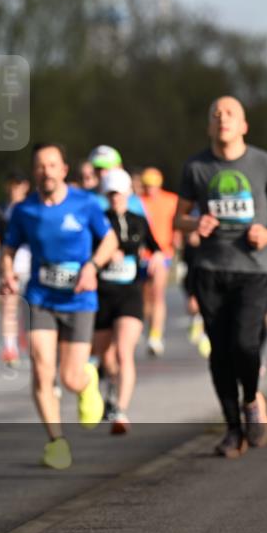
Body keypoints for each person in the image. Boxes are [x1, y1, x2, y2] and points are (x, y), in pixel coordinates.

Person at [175, 96, 267, 458]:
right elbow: (178, 218)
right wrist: (195, 222)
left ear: (244, 125)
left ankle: (251, 401)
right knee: (220, 353)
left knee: (245, 344)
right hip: (210, 269)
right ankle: (233, 430)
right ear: (209, 126)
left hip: (253, 269)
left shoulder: (264, 162)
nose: (222, 118)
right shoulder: (196, 167)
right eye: (216, 114)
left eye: (230, 113)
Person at [0, 143, 118, 470]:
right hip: (41, 298)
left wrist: (93, 266)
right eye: (40, 166)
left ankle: (88, 380)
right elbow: (8, 249)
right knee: (41, 369)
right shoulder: (24, 210)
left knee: (70, 377)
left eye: (52, 165)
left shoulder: (86, 204)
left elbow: (109, 240)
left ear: (64, 169)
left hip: (80, 299)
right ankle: (56, 442)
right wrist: (7, 275)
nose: (46, 171)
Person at [94, 169, 163, 434]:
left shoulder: (138, 221)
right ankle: (111, 385)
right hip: (102, 294)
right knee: (106, 356)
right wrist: (103, 257)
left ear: (128, 194)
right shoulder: (98, 221)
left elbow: (156, 247)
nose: (115, 199)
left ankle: (121, 410)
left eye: (119, 194)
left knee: (124, 352)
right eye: (110, 194)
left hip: (130, 293)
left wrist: (156, 257)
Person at [138, 167, 178, 356]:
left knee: (158, 293)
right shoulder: (138, 201)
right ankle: (146, 327)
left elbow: (176, 224)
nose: (150, 189)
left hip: (163, 253)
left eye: (153, 185)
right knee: (145, 297)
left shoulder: (170, 200)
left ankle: (155, 335)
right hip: (142, 255)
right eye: (147, 185)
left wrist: (177, 242)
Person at [0, 171, 31, 367]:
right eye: (12, 184)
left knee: (29, 310)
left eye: (18, 185)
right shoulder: (2, 209)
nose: (15, 189)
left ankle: (27, 340)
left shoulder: (31, 207)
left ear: (25, 186)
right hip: (9, 264)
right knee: (9, 306)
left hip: (29, 263)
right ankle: (10, 347)